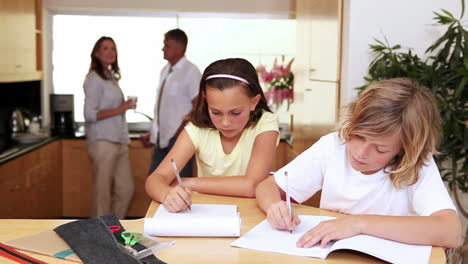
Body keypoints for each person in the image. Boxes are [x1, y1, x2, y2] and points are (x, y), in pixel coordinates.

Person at [256, 78, 462, 249]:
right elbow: (268, 186)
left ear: (405, 149)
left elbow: (451, 232)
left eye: (380, 149)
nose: (361, 153)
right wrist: (274, 206)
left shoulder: (417, 164)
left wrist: (359, 223)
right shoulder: (333, 145)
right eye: (358, 136)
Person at [145, 58, 280, 213]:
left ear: (254, 102)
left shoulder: (266, 123)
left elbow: (252, 185)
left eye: (235, 113)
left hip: (251, 214)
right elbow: (154, 180)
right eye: (216, 112)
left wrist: (187, 183)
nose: (225, 122)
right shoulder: (197, 129)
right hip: (205, 214)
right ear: (205, 100)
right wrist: (167, 194)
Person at [83, 36, 136, 219]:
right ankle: (99, 235)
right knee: (102, 193)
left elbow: (113, 109)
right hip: (103, 141)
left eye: (113, 48)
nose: (110, 51)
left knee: (126, 188)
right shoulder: (94, 78)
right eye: (105, 48)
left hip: (119, 140)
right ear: (97, 53)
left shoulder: (110, 77)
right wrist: (120, 108)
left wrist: (125, 105)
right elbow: (89, 114)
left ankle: (112, 227)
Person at [140, 28, 201, 177]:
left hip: (179, 141)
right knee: (154, 183)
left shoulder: (191, 71)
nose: (163, 49)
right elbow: (167, 108)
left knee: (178, 188)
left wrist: (180, 133)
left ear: (179, 48)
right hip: (161, 142)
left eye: (167, 46)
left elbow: (198, 106)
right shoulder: (165, 70)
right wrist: (153, 133)